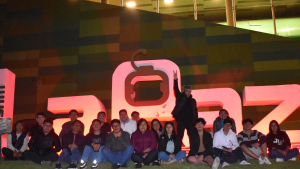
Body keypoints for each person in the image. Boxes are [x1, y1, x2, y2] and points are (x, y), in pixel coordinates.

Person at [171, 70, 198, 147]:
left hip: (190, 121)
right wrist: (175, 79)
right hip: (181, 120)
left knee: (191, 136)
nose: (188, 93)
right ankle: (178, 151)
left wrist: (196, 121)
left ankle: (192, 151)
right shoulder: (180, 97)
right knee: (180, 136)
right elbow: (175, 89)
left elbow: (195, 111)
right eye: (186, 91)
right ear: (184, 91)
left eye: (189, 91)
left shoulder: (193, 100)